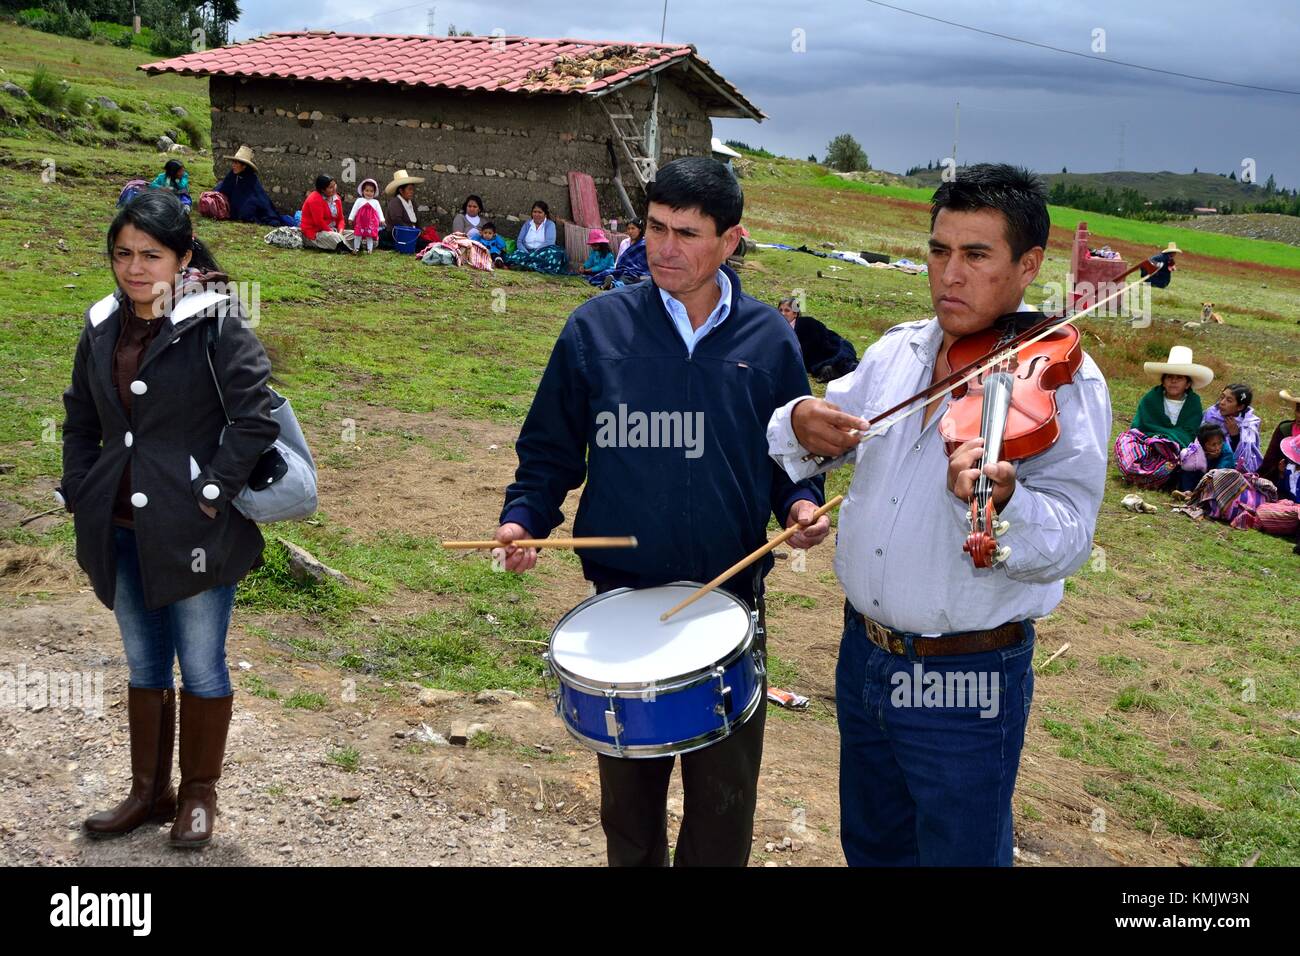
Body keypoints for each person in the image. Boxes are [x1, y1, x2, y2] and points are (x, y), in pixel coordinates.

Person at [768, 163, 1111, 866]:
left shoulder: (1061, 380)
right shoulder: (898, 351)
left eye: (976, 255)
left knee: (960, 853)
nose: (949, 274)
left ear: (1028, 265)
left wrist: (1008, 500)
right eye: (938, 251)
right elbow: (812, 438)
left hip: (967, 677)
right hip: (863, 655)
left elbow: (1071, 538)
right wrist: (799, 422)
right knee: (873, 846)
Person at [492, 156, 829, 867]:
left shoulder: (769, 342)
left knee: (722, 812)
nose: (663, 247)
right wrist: (525, 517)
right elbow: (550, 448)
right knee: (630, 817)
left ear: (731, 240)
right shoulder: (597, 330)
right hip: (623, 605)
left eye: (687, 232)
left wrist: (800, 505)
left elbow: (788, 456)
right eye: (654, 227)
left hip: (729, 601)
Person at [57, 190, 278, 849]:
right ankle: (148, 791)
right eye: (122, 254)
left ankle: (198, 797)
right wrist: (79, 486)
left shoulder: (216, 323)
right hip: (119, 527)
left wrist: (211, 491)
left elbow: (254, 417)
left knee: (201, 665)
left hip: (197, 534)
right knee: (144, 663)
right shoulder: (101, 324)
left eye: (151, 254)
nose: (134, 268)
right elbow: (80, 417)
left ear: (182, 257)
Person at [1114, 346, 1213, 489]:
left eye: (1179, 378)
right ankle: (1141, 474)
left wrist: (1168, 440)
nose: (1173, 381)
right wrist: (1156, 439)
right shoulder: (1151, 398)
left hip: (1175, 448)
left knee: (1177, 457)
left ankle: (1156, 478)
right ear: (1163, 381)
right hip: (1149, 443)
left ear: (1188, 384)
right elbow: (1140, 426)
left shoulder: (1193, 402)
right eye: (1170, 377)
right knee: (1125, 441)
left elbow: (1189, 431)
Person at [777, 296, 859, 383]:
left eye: (787, 310)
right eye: (780, 310)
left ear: (795, 313)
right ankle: (830, 371)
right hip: (812, 360)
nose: (783, 313)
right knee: (823, 369)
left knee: (844, 364)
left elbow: (819, 338)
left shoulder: (807, 322)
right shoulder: (778, 328)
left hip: (832, 347)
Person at [213, 145, 294, 226]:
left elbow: (256, 201)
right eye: (233, 162)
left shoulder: (251, 180)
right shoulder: (232, 175)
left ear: (244, 166)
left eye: (236, 163)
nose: (233, 165)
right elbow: (223, 188)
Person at [1203, 383, 1262, 474]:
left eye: (1229, 400)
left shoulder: (1248, 425)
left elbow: (1247, 455)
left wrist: (1235, 435)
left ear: (1240, 407)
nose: (1222, 402)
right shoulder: (1211, 414)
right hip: (1205, 460)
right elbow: (1199, 438)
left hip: (1231, 470)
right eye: (1222, 397)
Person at [502, 201, 568, 274]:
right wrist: (526, 252)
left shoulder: (550, 224)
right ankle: (532, 266)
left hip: (543, 252)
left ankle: (527, 265)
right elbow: (519, 241)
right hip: (526, 252)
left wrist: (536, 252)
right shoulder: (527, 224)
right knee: (513, 256)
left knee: (555, 254)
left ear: (545, 214)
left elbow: (550, 242)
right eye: (534, 212)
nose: (536, 214)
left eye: (540, 212)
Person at [1260, 389, 1300, 502]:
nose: (1299, 416)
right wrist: (1280, 473)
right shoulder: (1285, 429)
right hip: (1280, 486)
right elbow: (1269, 463)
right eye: (1298, 410)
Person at [300, 174, 354, 252]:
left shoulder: (336, 198)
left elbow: (340, 219)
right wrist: (335, 233)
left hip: (333, 231)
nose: (334, 189)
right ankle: (349, 248)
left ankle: (345, 244)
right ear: (322, 190)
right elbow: (319, 223)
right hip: (316, 233)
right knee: (335, 238)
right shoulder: (315, 199)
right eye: (330, 187)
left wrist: (340, 231)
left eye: (334, 185)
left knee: (356, 234)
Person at [1177, 422, 1236, 492]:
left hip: (1218, 483)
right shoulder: (1196, 450)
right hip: (1200, 482)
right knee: (1189, 469)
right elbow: (1187, 466)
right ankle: (1187, 492)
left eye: (1220, 443)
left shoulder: (1226, 452)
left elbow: (1221, 471)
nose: (1217, 448)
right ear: (1203, 445)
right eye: (1213, 445)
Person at [382, 169, 427, 247]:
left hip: (411, 233)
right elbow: (397, 221)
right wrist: (412, 231)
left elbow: (417, 220)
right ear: (401, 190)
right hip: (397, 234)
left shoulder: (412, 202)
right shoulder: (395, 202)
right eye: (409, 189)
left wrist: (419, 230)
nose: (412, 192)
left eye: (412, 189)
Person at [348, 178, 385, 254]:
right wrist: (351, 218)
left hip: (371, 223)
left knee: (369, 236)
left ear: (374, 192)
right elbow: (354, 209)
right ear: (362, 191)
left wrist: (382, 219)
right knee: (357, 234)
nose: (369, 193)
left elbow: (379, 211)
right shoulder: (359, 200)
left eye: (371, 191)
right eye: (367, 190)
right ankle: (356, 248)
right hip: (360, 222)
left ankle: (369, 249)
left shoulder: (375, 202)